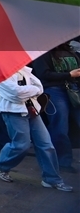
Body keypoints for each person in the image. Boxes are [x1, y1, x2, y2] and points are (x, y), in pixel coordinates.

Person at [0, 66, 72, 191]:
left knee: (46, 144)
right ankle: (0, 164)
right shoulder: (0, 74)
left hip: (32, 110)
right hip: (12, 112)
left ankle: (52, 179)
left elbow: (39, 86)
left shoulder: (23, 69)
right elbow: (16, 94)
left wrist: (30, 90)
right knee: (21, 145)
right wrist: (32, 90)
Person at [31, 43, 80, 174]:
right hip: (55, 91)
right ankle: (62, 161)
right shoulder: (42, 52)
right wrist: (69, 75)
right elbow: (43, 74)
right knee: (60, 127)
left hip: (74, 89)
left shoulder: (70, 50)